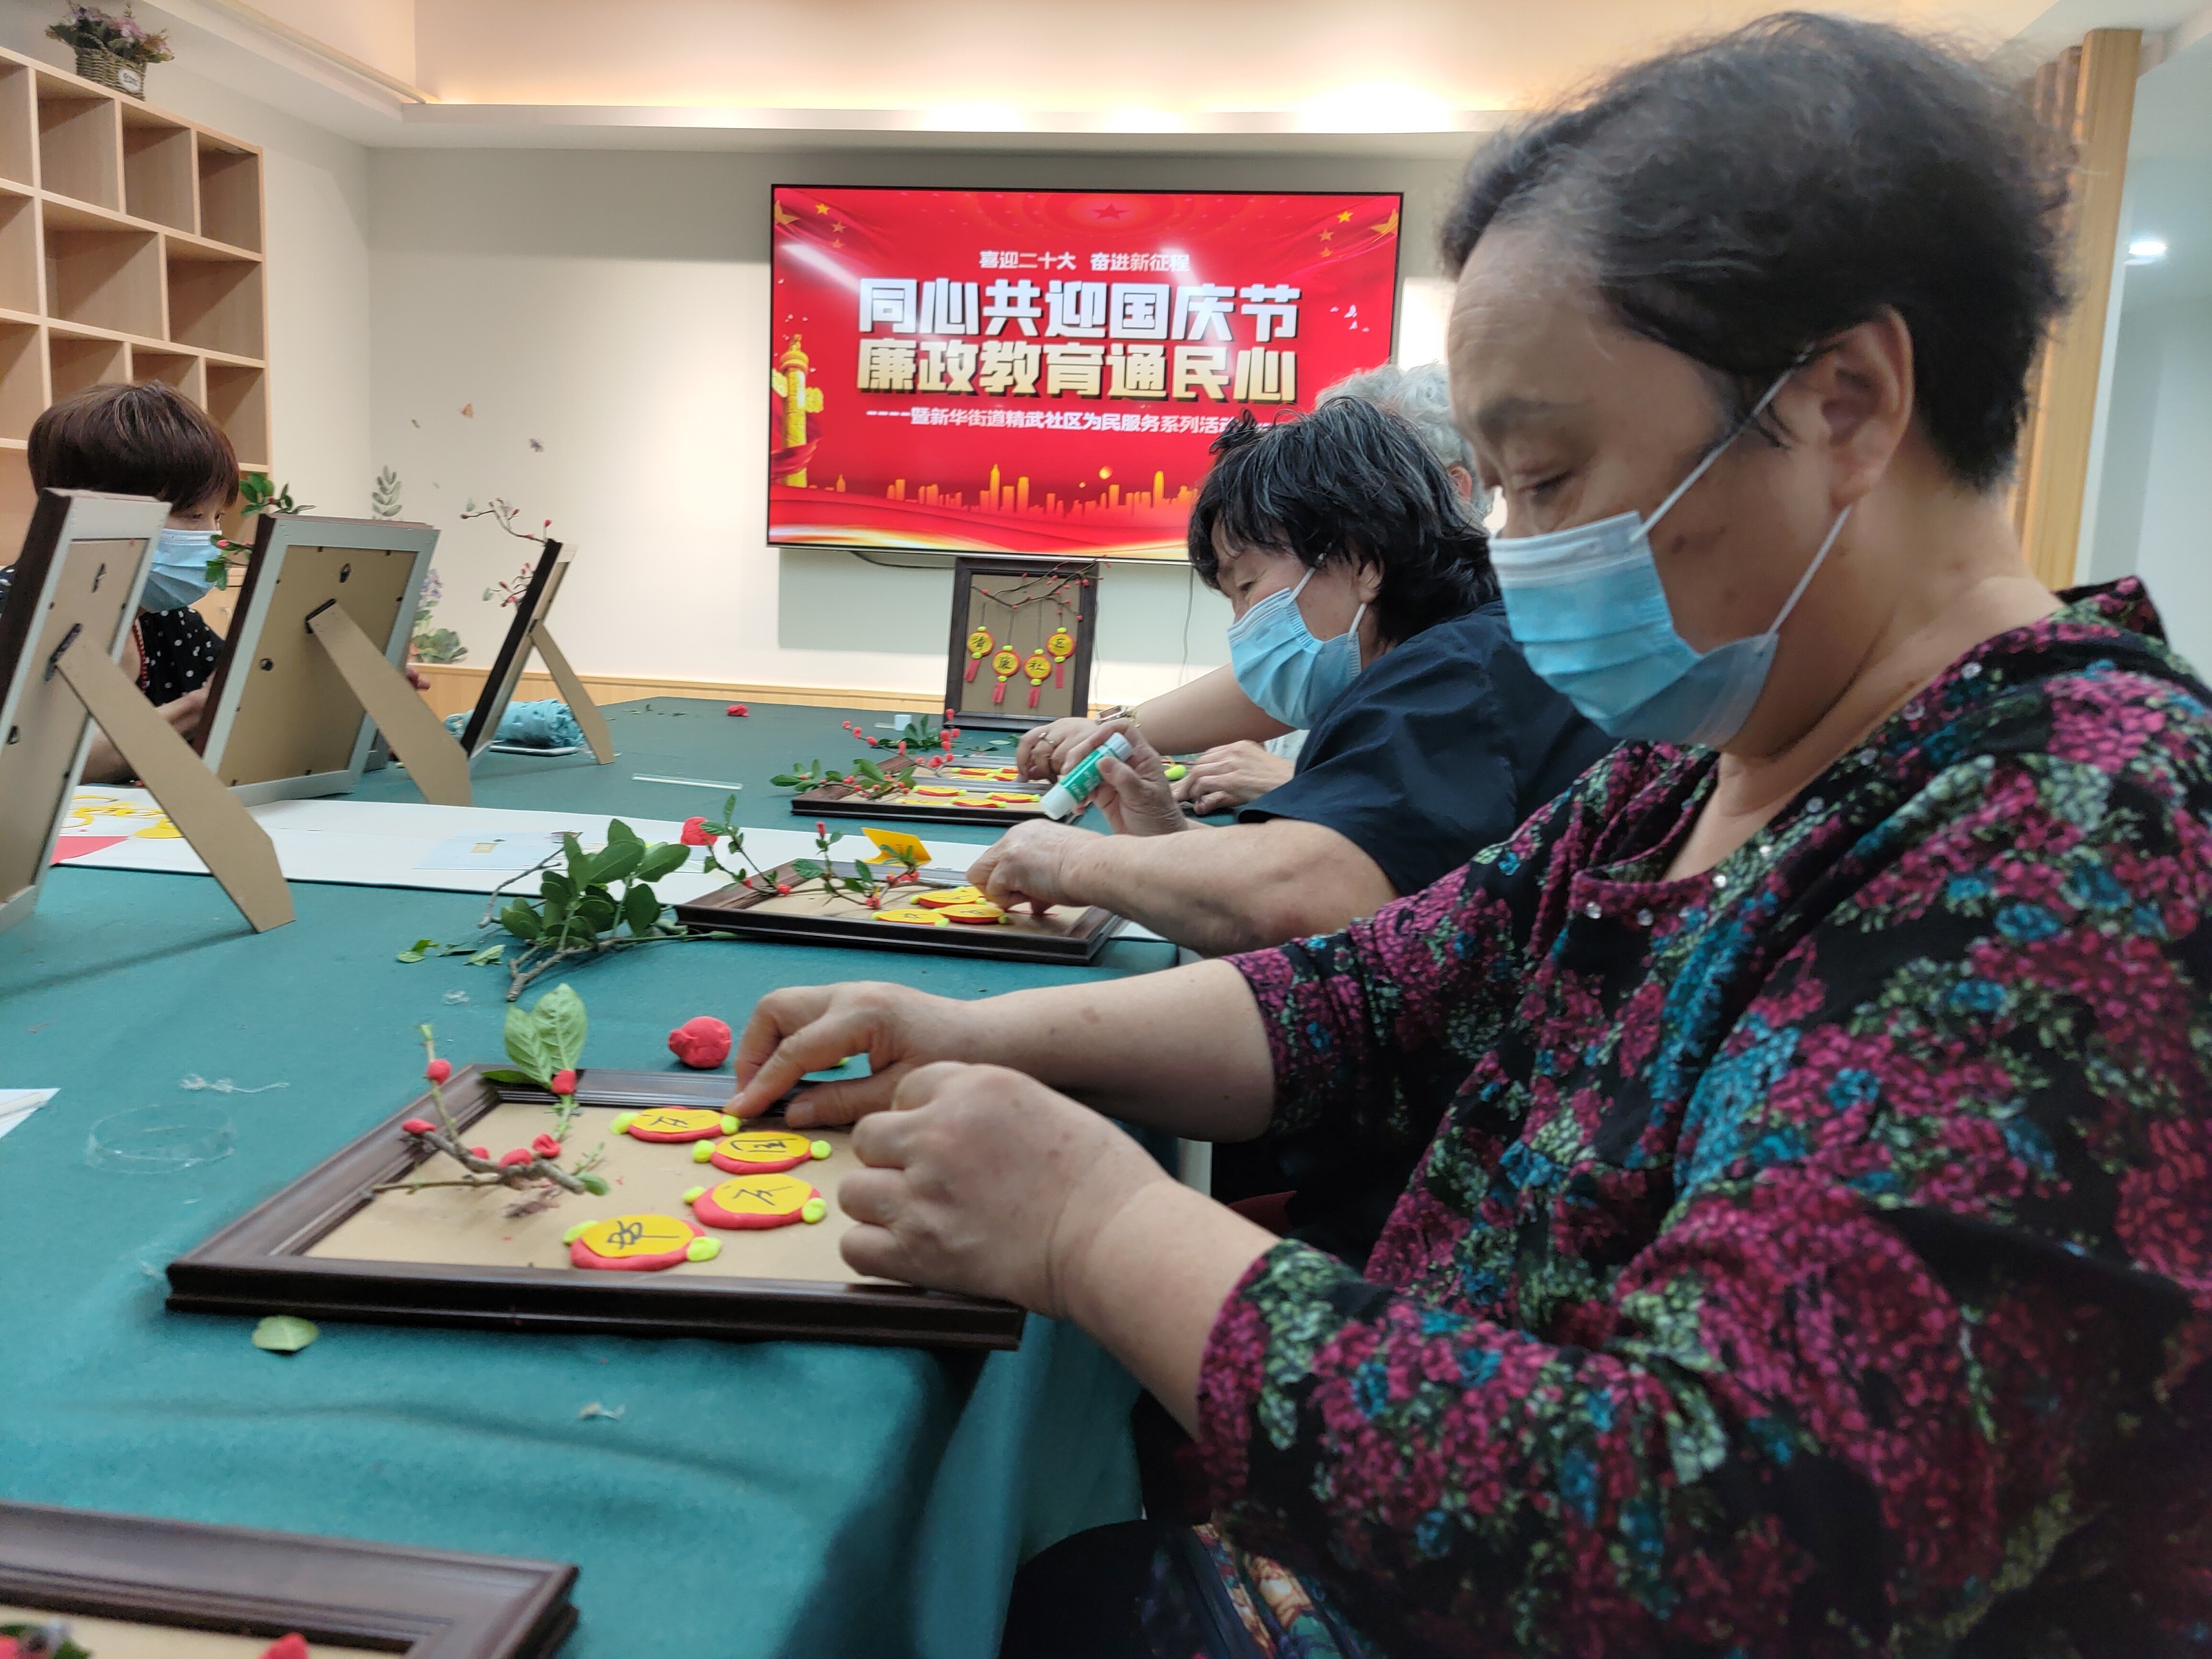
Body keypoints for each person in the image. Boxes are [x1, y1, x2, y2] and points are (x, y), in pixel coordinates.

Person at [728, 15, 2211, 1654]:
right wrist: (962, 1027)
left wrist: (1097, 1224)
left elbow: (1706, 1539)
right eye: (1495, 488)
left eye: (1549, 475)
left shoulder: (2072, 839)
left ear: (1843, 404)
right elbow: (1363, 994)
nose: (1513, 551)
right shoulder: (1692, 770)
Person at [969, 397, 1607, 959]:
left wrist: (1073, 860)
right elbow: (1374, 883)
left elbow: (1294, 908)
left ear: (1364, 561)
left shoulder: (1451, 680)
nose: (1243, 627)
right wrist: (1164, 836)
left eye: (1248, 586)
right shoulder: (1447, 658)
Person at [1019, 362, 1493, 817]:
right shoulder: (1369, 653)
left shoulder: (1468, 672)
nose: (1245, 623)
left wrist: (1305, 784)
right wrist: (1122, 741)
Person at [0, 383, 239, 783]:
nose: (212, 539)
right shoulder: (12, 613)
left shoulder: (168, 620)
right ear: (93, 509)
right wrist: (195, 711)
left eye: (219, 517)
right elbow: (24, 769)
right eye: (192, 515)